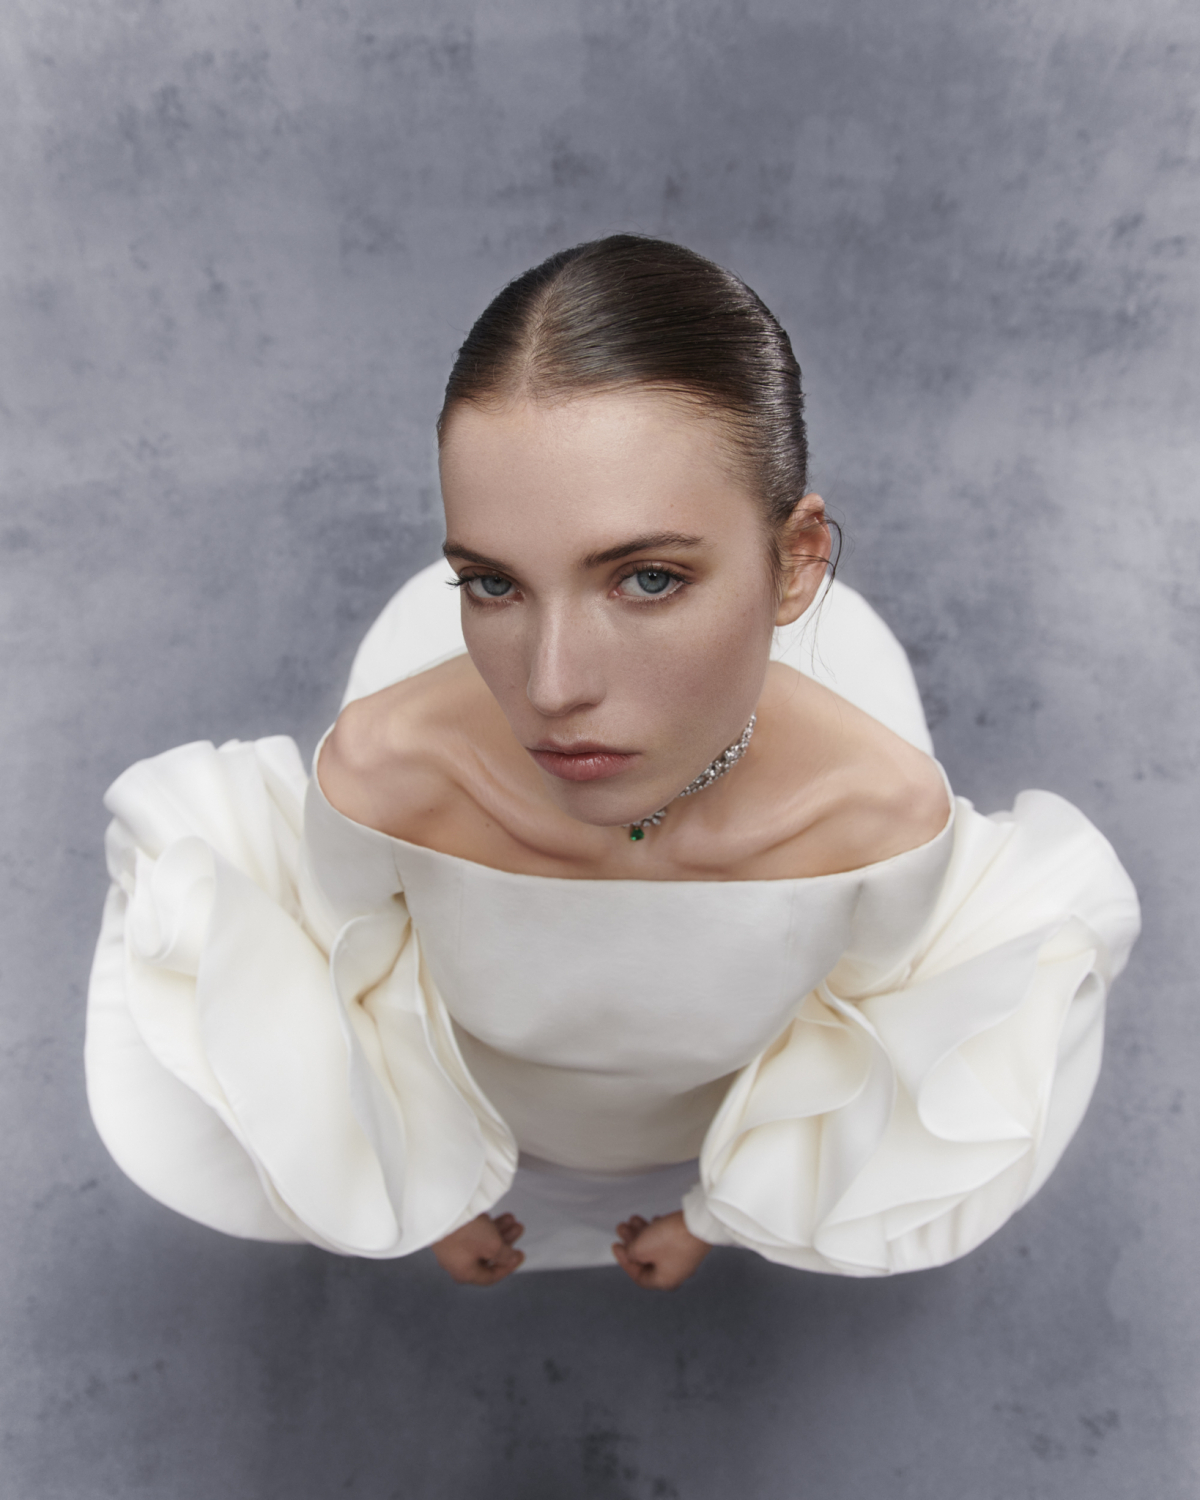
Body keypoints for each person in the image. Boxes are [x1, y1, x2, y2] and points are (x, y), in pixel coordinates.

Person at [86, 235, 1140, 1291]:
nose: (551, 688)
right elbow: (343, 1006)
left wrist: (714, 1217)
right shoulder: (383, 777)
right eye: (493, 584)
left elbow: (856, 1057)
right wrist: (420, 1197)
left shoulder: (880, 820)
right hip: (485, 1129)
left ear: (795, 564)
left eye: (647, 579)